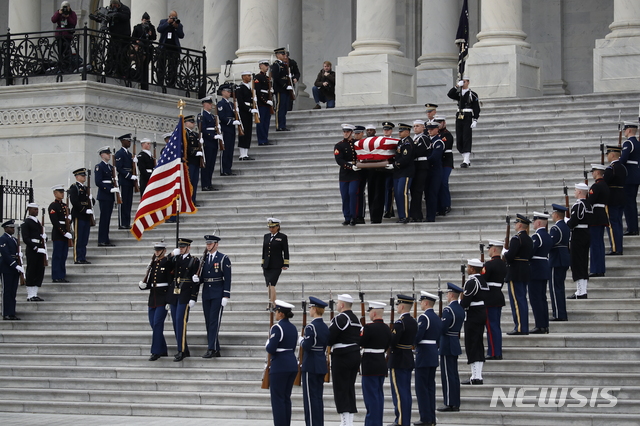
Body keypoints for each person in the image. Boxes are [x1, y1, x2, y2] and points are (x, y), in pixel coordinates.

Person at [327, 294, 362, 426]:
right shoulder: (355, 319)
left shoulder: (340, 318)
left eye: (337, 303)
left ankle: (345, 421)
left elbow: (330, 338)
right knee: (349, 388)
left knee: (341, 389)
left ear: (342, 305)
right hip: (354, 354)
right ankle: (349, 420)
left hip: (342, 356)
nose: (336, 305)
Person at [138, 241, 174, 361]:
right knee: (153, 324)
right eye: (156, 250)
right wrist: (143, 285)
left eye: (159, 250)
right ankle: (163, 349)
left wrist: (169, 299)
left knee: (158, 323)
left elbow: (170, 283)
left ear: (164, 251)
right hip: (152, 297)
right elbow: (152, 282)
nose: (157, 252)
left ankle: (156, 351)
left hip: (162, 298)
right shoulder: (153, 263)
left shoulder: (167, 262)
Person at [266, 300, 298, 426]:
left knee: (278, 399)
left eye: (277, 311)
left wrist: (268, 343)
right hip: (291, 363)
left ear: (281, 314)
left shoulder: (277, 327)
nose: (275, 314)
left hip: (280, 365)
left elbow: (271, 349)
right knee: (285, 398)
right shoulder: (293, 327)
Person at [198, 234, 231, 358]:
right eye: (207, 244)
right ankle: (216, 348)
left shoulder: (223, 258)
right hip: (206, 292)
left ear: (216, 244)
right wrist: (197, 279)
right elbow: (202, 276)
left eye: (210, 243)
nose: (208, 246)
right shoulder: (204, 258)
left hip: (218, 292)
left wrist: (226, 295)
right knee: (208, 321)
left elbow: (227, 278)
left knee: (214, 321)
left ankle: (211, 348)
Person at [168, 237, 200, 362]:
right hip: (174, 294)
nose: (181, 249)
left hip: (185, 294)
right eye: (180, 247)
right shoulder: (175, 258)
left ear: (188, 248)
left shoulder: (194, 260)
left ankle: (181, 351)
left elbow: (195, 281)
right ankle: (184, 348)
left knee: (180, 321)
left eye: (183, 247)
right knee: (175, 323)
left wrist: (193, 297)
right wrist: (171, 255)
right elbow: (164, 266)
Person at [359, 300, 391, 426]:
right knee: (378, 396)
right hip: (381, 363)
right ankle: (377, 422)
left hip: (370, 365)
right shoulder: (387, 328)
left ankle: (372, 423)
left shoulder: (368, 328)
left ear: (373, 313)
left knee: (371, 398)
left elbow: (360, 342)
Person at [300, 296, 329, 426]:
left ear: (315, 309)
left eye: (311, 308)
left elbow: (307, 345)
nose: (310, 310)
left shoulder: (311, 327)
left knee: (310, 400)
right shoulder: (324, 327)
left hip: (310, 364)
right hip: (320, 362)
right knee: (317, 398)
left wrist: (301, 340)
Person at [388, 294, 417, 426]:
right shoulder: (413, 321)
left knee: (399, 393)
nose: (397, 307)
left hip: (398, 359)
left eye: (398, 304)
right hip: (407, 357)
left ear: (402, 306)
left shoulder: (400, 323)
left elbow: (393, 341)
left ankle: (401, 421)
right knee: (405, 392)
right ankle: (405, 420)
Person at [414, 291, 442, 426]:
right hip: (432, 353)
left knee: (422, 388)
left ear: (425, 303)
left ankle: (425, 418)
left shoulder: (424, 317)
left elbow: (418, 336)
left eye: (421, 302)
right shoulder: (437, 318)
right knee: (430, 387)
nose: (420, 304)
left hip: (424, 354)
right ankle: (431, 417)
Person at [460, 259, 489, 385]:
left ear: (472, 269)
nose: (467, 269)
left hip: (473, 314)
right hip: (481, 312)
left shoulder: (472, 282)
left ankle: (476, 377)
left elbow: (466, 302)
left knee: (472, 344)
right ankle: (476, 375)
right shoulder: (482, 280)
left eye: (468, 267)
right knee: (477, 344)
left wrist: (460, 302)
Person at [437, 283, 465, 412]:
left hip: (447, 343)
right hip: (454, 341)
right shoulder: (460, 309)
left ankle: (449, 402)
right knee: (454, 374)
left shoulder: (448, 310)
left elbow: (442, 328)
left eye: (448, 294)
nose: (447, 296)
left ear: (451, 294)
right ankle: (455, 401)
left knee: (447, 375)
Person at [504, 214, 533, 335]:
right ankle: (523, 326)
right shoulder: (529, 239)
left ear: (520, 225)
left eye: (516, 223)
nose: (515, 225)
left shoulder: (517, 239)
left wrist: (505, 253)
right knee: (522, 300)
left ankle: (520, 327)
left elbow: (510, 256)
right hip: (525, 270)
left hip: (515, 272)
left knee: (516, 301)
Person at [447, 76, 480, 168]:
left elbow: (476, 108)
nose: (463, 83)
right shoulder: (459, 93)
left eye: (464, 81)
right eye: (462, 81)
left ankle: (466, 159)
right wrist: (456, 86)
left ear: (468, 82)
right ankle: (466, 157)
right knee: (459, 138)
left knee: (466, 137)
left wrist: (475, 119)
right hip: (459, 116)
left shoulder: (472, 94)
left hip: (468, 116)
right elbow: (449, 94)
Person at [483, 240, 507, 360]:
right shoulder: (503, 263)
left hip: (490, 298)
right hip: (498, 295)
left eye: (489, 248)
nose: (488, 250)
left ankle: (493, 352)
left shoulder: (489, 265)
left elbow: (482, 279)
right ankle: (497, 350)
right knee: (495, 326)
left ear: (493, 249)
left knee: (491, 327)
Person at [529, 212, 552, 334]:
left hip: (536, 269)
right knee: (542, 298)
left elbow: (530, 252)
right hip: (544, 267)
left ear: (538, 222)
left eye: (534, 221)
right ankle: (545, 325)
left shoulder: (537, 237)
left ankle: (540, 325)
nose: (532, 223)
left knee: (536, 299)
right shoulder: (547, 236)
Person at [567, 183, 591, 299]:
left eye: (575, 190)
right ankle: (582, 290)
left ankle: (581, 291)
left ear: (580, 192)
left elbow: (574, 222)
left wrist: (567, 221)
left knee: (577, 263)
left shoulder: (579, 205)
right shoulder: (588, 204)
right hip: (586, 233)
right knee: (583, 262)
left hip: (578, 235)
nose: (574, 192)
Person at [334, 124, 361, 226]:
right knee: (345, 196)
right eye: (344, 132)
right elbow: (339, 160)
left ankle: (354, 216)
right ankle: (347, 217)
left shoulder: (356, 143)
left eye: (347, 132)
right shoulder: (339, 145)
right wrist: (350, 166)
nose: (345, 133)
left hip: (355, 173)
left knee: (353, 193)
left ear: (351, 133)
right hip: (345, 173)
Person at [588, 164, 610, 277]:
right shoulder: (605, 185)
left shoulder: (596, 186)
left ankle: (596, 269)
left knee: (595, 244)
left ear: (597, 172)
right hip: (602, 215)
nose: (592, 173)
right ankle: (600, 268)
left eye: (593, 171)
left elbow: (590, 201)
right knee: (599, 244)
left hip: (595, 217)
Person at [21, 203, 47, 302]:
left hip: (40, 248)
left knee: (39, 271)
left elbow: (40, 234)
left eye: (37, 209)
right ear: (29, 210)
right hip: (33, 249)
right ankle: (30, 294)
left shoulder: (38, 222)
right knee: (31, 270)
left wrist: (44, 237)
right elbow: (26, 238)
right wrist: (36, 248)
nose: (36, 211)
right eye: (34, 209)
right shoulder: (26, 222)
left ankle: (35, 293)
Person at [549, 204, 570, 321]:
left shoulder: (555, 228)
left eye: (553, 214)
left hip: (556, 259)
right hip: (564, 258)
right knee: (560, 287)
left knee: (555, 288)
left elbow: (551, 243)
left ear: (556, 215)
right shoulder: (566, 227)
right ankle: (562, 312)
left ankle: (558, 313)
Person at [261, 218, 289, 307]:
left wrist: (286, 263)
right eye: (270, 227)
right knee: (268, 284)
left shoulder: (282, 237)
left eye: (273, 227)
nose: (271, 229)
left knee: (272, 283)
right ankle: (273, 302)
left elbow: (286, 251)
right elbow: (264, 250)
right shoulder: (266, 236)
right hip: (267, 264)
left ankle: (271, 302)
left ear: (278, 227)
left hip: (276, 264)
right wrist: (263, 262)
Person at [604, 146, 627, 255]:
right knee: (618, 223)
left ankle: (615, 248)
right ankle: (619, 247)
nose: (607, 156)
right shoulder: (623, 167)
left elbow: (605, 183)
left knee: (612, 225)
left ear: (612, 155)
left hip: (612, 199)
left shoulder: (610, 168)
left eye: (608, 154)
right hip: (622, 197)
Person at [68, 168, 93, 264]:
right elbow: (74, 202)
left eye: (85, 175)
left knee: (84, 238)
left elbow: (90, 201)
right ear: (77, 177)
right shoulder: (75, 188)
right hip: (79, 215)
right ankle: (77, 257)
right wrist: (84, 210)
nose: (84, 177)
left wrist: (91, 200)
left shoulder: (86, 188)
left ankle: (83, 256)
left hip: (86, 216)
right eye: (82, 176)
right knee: (78, 237)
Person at [48, 185, 73, 283]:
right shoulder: (53, 206)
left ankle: (62, 275)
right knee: (57, 256)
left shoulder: (65, 206)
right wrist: (64, 233)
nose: (62, 194)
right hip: (58, 234)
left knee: (63, 256)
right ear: (55, 193)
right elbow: (55, 222)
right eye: (60, 192)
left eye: (63, 192)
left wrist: (69, 220)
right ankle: (56, 276)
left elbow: (67, 221)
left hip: (66, 232)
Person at [94, 146, 118, 247]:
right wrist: (109, 189)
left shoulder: (110, 167)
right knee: (104, 218)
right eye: (107, 153)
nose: (109, 155)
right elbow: (98, 182)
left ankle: (106, 239)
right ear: (102, 155)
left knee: (107, 218)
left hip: (110, 195)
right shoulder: (99, 166)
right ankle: (102, 240)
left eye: (109, 153)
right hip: (104, 195)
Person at [0, 220, 23, 320]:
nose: (13, 229)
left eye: (13, 227)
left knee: (13, 291)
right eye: (11, 227)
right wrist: (15, 265)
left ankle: (12, 312)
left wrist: (19, 256)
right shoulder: (3, 239)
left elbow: (15, 252)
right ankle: (6, 313)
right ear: (5, 228)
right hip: (7, 268)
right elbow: (5, 255)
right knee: (7, 291)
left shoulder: (13, 239)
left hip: (14, 268)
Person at [392, 123, 415, 224]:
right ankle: (401, 215)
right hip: (398, 172)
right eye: (399, 131)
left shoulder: (407, 143)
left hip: (406, 172)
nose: (399, 133)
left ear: (407, 132)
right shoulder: (401, 142)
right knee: (397, 194)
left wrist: (395, 164)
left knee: (403, 193)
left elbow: (406, 158)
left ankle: (405, 215)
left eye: (401, 131)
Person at [620, 121, 640, 235]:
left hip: (629, 177)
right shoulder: (638, 143)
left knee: (628, 203)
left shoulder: (628, 143)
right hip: (636, 176)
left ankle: (632, 228)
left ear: (628, 130)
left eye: (625, 130)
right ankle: (634, 227)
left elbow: (623, 160)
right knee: (632, 202)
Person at [114, 134, 137, 229]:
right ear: (122, 141)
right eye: (128, 141)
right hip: (124, 180)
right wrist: (129, 176)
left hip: (129, 181)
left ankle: (127, 222)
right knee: (123, 202)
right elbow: (119, 168)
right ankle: (123, 222)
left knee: (128, 202)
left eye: (130, 141)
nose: (129, 142)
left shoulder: (128, 154)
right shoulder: (119, 153)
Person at [199, 96, 221, 191]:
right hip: (207, 142)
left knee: (211, 164)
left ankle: (209, 183)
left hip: (214, 142)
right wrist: (212, 136)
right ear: (204, 104)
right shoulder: (202, 115)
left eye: (211, 103)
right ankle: (205, 185)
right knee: (206, 164)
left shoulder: (212, 116)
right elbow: (203, 129)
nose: (211, 105)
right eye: (209, 103)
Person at [156, 10, 184, 86]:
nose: (174, 19)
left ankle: (171, 83)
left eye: (176, 17)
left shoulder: (179, 24)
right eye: (173, 17)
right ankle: (160, 82)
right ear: (169, 17)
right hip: (164, 47)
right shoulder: (163, 22)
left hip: (174, 48)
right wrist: (168, 23)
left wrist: (176, 27)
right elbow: (159, 29)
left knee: (173, 67)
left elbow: (181, 35)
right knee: (161, 65)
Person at [217, 84, 239, 176]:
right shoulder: (221, 104)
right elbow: (222, 117)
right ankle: (224, 169)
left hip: (231, 128)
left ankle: (228, 168)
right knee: (225, 149)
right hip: (226, 128)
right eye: (227, 91)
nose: (229, 93)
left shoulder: (231, 104)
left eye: (230, 91)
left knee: (230, 149)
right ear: (222, 92)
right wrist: (231, 122)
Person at [424, 120, 444, 222]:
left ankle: (431, 216)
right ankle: (429, 215)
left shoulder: (438, 142)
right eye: (429, 129)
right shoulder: (427, 140)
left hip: (435, 170)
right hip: (427, 170)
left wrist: (424, 160)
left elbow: (435, 157)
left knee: (432, 193)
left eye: (432, 129)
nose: (430, 131)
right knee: (427, 194)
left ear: (437, 129)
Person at [105, 0, 131, 77]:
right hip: (114, 36)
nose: (114, 6)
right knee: (111, 54)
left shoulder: (125, 9)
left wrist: (116, 14)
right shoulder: (110, 10)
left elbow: (126, 17)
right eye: (113, 4)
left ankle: (122, 73)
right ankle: (109, 71)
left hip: (124, 37)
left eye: (115, 4)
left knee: (122, 55)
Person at [131, 12, 156, 90]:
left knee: (146, 67)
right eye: (145, 20)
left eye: (147, 20)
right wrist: (137, 42)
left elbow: (154, 37)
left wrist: (150, 33)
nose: (146, 21)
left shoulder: (151, 27)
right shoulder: (137, 27)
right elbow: (133, 38)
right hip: (139, 50)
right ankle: (138, 80)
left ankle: (145, 84)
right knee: (139, 66)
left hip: (147, 49)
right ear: (142, 20)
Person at [235, 71, 258, 161]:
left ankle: (246, 153)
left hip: (249, 111)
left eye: (250, 76)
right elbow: (240, 102)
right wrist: (249, 109)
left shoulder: (249, 87)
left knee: (248, 132)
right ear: (243, 77)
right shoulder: (240, 88)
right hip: (244, 112)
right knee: (243, 132)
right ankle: (242, 154)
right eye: (248, 76)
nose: (250, 77)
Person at [409, 120, 428, 222]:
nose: (415, 128)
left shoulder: (424, 138)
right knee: (413, 191)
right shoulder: (414, 138)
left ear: (423, 128)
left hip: (421, 166)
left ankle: (417, 214)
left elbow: (420, 151)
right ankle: (414, 213)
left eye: (417, 126)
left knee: (418, 191)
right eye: (414, 126)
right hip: (414, 166)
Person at [51, 1, 77, 73]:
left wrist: (68, 17)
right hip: (59, 35)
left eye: (66, 7)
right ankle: (61, 66)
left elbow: (73, 22)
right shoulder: (59, 13)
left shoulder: (72, 13)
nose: (65, 9)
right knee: (60, 51)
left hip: (67, 35)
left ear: (69, 7)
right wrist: (58, 13)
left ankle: (68, 66)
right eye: (64, 7)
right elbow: (53, 20)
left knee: (67, 51)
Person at [435, 116, 454, 216]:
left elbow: (443, 147)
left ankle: (446, 204)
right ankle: (439, 206)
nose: (438, 124)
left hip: (446, 161)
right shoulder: (435, 134)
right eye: (436, 122)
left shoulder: (447, 135)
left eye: (440, 122)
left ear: (444, 123)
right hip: (438, 163)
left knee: (443, 182)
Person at [271, 47, 293, 131]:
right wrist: (285, 85)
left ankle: (283, 124)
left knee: (284, 107)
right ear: (278, 55)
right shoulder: (276, 65)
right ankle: (279, 125)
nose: (285, 56)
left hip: (286, 89)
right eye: (283, 54)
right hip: (280, 89)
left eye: (285, 54)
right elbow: (276, 78)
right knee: (280, 107)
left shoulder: (284, 65)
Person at [184, 115, 202, 206]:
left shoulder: (195, 134)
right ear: (186, 123)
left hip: (196, 161)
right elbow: (186, 146)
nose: (193, 124)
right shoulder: (184, 133)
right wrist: (194, 152)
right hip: (189, 160)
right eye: (191, 122)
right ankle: (188, 200)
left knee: (194, 181)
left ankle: (193, 200)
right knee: (189, 182)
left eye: (193, 122)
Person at [254, 60, 274, 146]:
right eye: (265, 65)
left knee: (266, 122)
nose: (267, 67)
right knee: (261, 122)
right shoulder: (258, 77)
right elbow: (258, 92)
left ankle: (265, 138)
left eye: (267, 65)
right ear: (260, 66)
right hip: (261, 103)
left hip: (267, 103)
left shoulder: (267, 78)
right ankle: (261, 140)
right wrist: (265, 101)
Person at [352, 126, 367, 224]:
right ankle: (354, 215)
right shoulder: (351, 144)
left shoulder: (365, 143)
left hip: (363, 171)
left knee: (360, 193)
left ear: (362, 133)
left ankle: (360, 215)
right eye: (355, 133)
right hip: (352, 172)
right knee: (354, 193)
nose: (357, 135)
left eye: (358, 133)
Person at [382, 122, 397, 219]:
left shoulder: (395, 141)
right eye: (385, 129)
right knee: (383, 190)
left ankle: (389, 209)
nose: (386, 131)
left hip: (390, 169)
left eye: (388, 129)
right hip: (381, 169)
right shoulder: (380, 141)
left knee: (389, 190)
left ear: (391, 131)